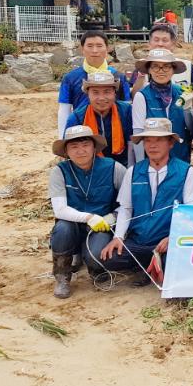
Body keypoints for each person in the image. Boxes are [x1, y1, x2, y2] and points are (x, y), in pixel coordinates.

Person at [89, 118, 193, 283]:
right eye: (148, 140)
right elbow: (126, 208)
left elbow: (191, 212)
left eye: (159, 140)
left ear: (171, 143)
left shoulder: (185, 171)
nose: (152, 145)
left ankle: (152, 264)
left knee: (177, 263)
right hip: (138, 240)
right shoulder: (133, 171)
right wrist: (118, 237)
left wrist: (174, 237)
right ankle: (146, 263)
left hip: (167, 241)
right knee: (107, 258)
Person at [48, 125, 126, 298]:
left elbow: (129, 204)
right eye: (74, 146)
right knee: (62, 229)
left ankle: (97, 271)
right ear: (66, 151)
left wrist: (112, 217)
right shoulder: (59, 172)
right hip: (72, 224)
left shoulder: (114, 168)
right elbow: (59, 209)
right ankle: (62, 275)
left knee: (96, 255)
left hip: (102, 225)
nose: (80, 151)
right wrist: (89, 217)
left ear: (94, 147)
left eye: (85, 145)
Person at [57, 30, 131, 137]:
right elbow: (64, 110)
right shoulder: (70, 78)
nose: (95, 50)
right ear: (82, 49)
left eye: (99, 46)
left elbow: (126, 106)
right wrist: (63, 138)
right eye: (90, 46)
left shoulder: (119, 77)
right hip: (82, 135)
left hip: (115, 134)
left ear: (107, 49)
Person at [132, 49, 192, 163]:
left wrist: (187, 109)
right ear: (149, 70)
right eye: (155, 66)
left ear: (173, 70)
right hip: (152, 160)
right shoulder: (142, 96)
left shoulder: (182, 92)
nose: (161, 71)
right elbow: (138, 131)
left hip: (180, 157)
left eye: (166, 66)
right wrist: (140, 163)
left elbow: (191, 127)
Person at [64, 71, 134, 166]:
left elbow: (133, 143)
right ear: (88, 94)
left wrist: (131, 170)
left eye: (107, 92)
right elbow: (70, 149)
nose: (101, 98)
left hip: (123, 164)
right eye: (95, 92)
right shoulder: (77, 117)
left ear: (114, 93)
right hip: (90, 166)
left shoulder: (126, 111)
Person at [130, 23, 193, 97]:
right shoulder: (142, 67)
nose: (160, 44)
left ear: (173, 44)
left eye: (165, 40)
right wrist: (141, 77)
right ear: (149, 44)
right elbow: (133, 97)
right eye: (156, 40)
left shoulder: (187, 66)